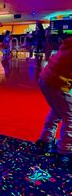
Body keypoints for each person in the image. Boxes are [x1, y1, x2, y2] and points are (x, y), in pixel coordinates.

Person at [36, 36, 72, 169]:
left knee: (57, 111)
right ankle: (65, 152)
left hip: (47, 79)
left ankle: (45, 141)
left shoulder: (69, 42)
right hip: (56, 83)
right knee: (70, 117)